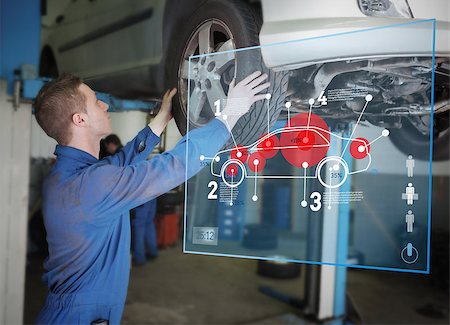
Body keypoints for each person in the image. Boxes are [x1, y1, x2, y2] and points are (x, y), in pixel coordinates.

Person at [33, 71, 269, 324]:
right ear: (79, 119)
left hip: (74, 311)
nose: (105, 104)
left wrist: (159, 122)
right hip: (79, 317)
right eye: (95, 101)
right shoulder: (91, 185)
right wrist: (231, 112)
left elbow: (118, 164)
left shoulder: (64, 176)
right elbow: (174, 166)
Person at [131, 199, 158, 265]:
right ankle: (152, 252)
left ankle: (138, 258)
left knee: (138, 228)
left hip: (141, 200)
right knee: (149, 224)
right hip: (152, 197)